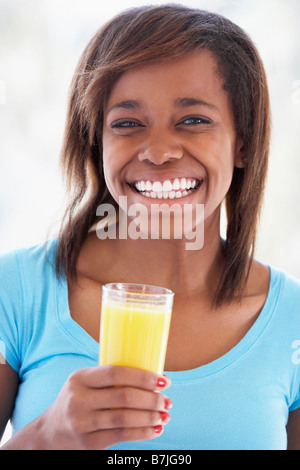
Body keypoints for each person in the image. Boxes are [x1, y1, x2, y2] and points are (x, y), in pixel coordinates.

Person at [0, 4, 299, 450]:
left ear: (243, 141)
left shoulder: (291, 321)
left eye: (194, 120)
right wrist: (45, 438)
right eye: (127, 124)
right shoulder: (17, 291)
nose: (158, 152)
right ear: (96, 142)